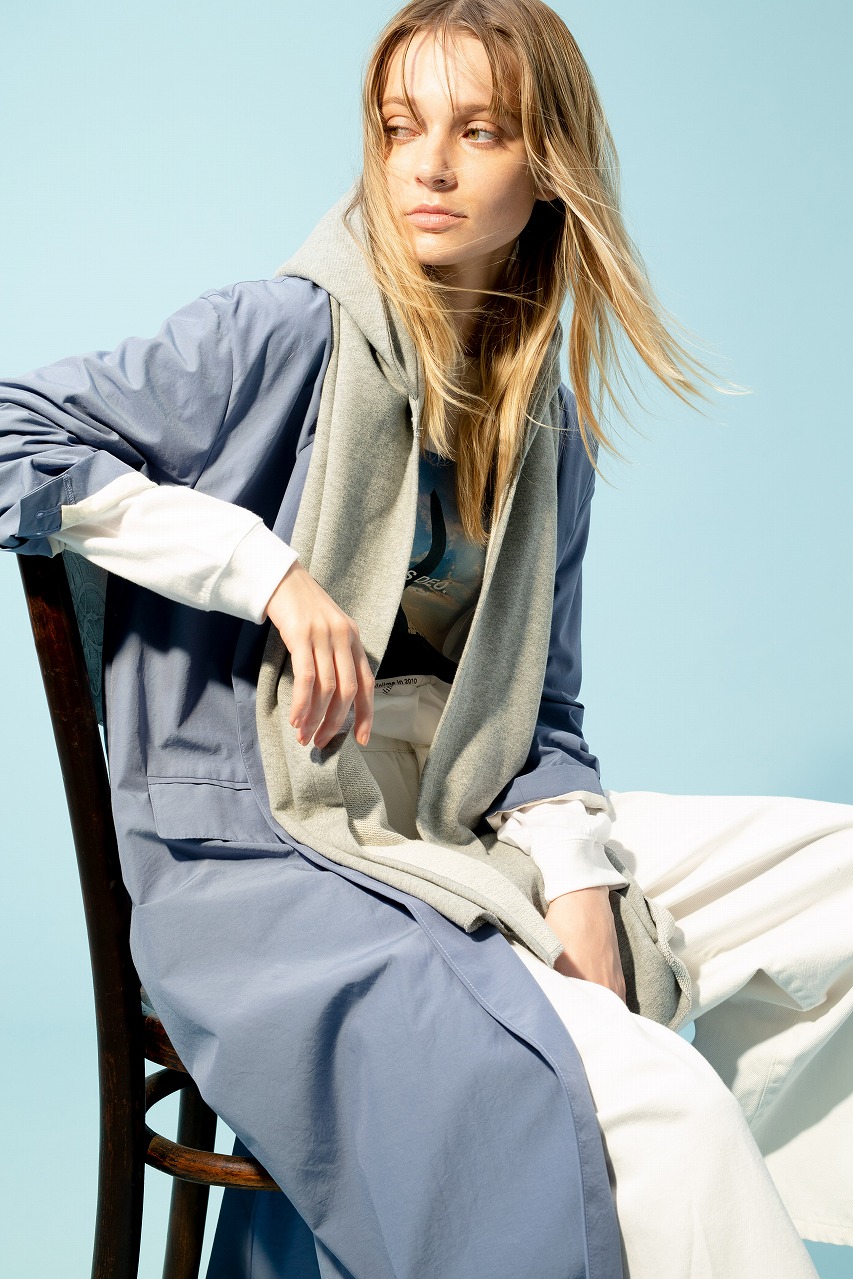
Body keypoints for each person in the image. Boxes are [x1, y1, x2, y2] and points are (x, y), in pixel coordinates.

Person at [1, 1, 849, 1275]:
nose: (428, 167)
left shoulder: (542, 414)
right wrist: (268, 573)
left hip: (454, 805)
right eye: (401, 128)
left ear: (547, 165)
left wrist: (578, 882)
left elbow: (541, 713)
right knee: (664, 1114)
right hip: (270, 849)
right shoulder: (279, 330)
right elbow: (12, 431)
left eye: (478, 131)